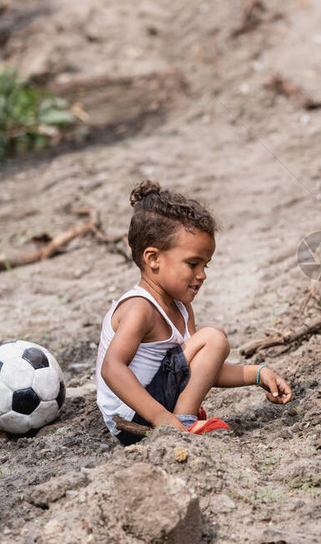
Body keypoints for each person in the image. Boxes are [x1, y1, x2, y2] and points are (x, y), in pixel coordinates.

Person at [96, 181, 292, 444]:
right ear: (153, 259)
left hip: (153, 410)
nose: (202, 275)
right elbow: (111, 368)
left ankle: (181, 417)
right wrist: (163, 419)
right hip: (134, 417)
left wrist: (257, 374)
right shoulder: (139, 308)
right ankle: (184, 421)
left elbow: (201, 372)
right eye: (192, 264)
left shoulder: (181, 307)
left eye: (205, 265)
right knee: (213, 337)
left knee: (213, 338)